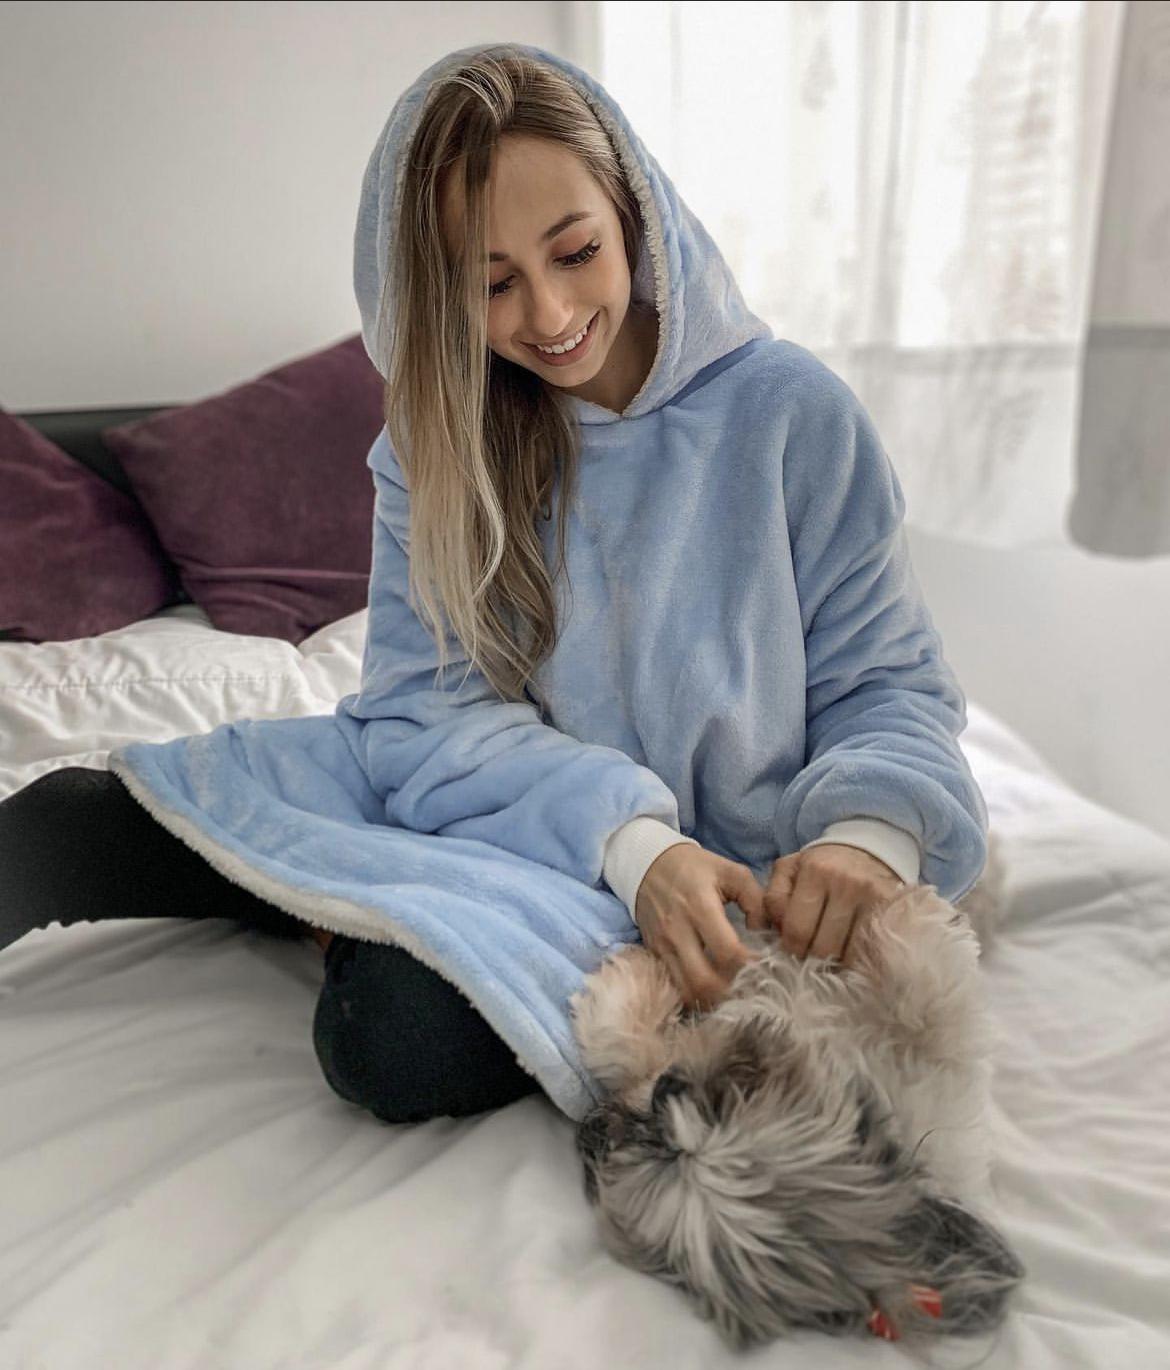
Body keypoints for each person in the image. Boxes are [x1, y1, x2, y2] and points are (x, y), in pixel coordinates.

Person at [0, 42, 987, 1127]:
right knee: (56, 820)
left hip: (690, 872)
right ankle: (354, 887)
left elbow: (889, 682)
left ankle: (350, 901)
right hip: (517, 817)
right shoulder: (434, 445)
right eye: (495, 285)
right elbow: (427, 713)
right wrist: (634, 845)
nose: (550, 315)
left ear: (634, 213)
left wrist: (862, 835)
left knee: (389, 1043)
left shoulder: (794, 416)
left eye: (575, 251)